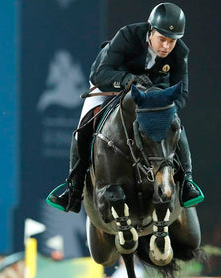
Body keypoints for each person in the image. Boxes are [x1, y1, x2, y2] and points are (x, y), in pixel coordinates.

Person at [47, 2, 204, 213]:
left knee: (175, 124)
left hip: (148, 98)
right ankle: (73, 189)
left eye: (172, 41)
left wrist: (162, 103)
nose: (166, 46)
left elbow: (182, 94)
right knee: (83, 127)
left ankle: (186, 182)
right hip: (109, 87)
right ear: (151, 31)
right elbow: (100, 74)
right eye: (162, 39)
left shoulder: (180, 52)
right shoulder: (128, 36)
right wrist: (130, 80)